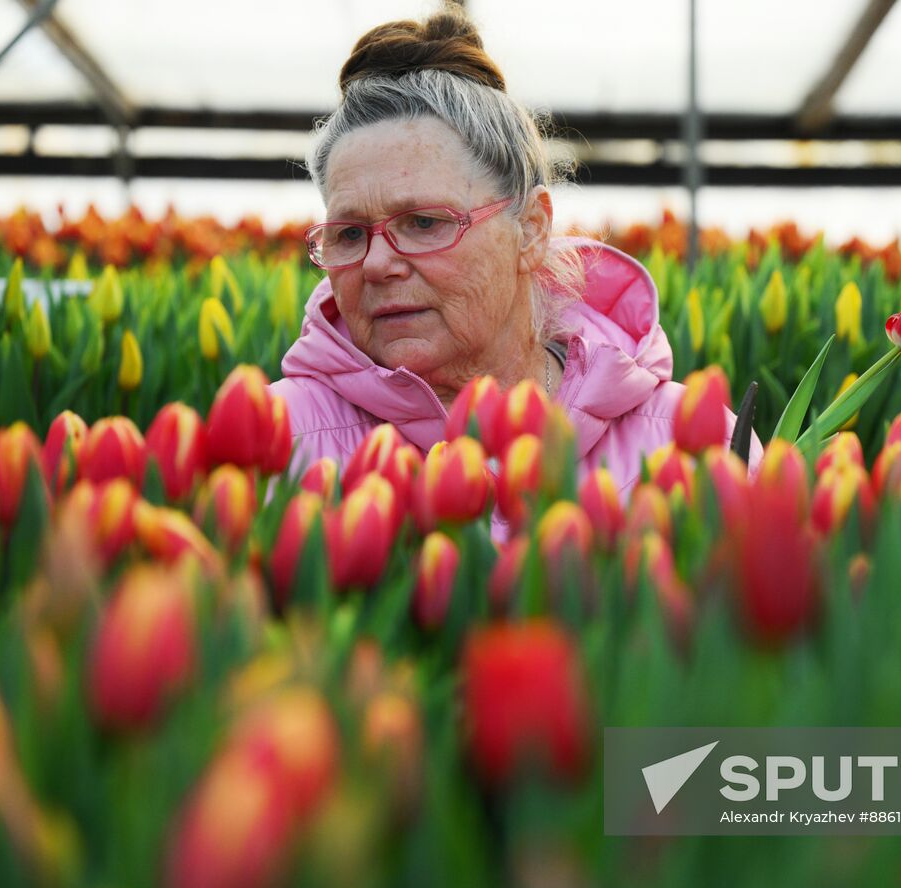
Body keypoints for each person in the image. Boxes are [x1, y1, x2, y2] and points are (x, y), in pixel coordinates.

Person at [266, 5, 762, 532]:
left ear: (529, 229)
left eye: (424, 223)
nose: (378, 264)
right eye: (349, 234)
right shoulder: (282, 438)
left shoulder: (690, 441)